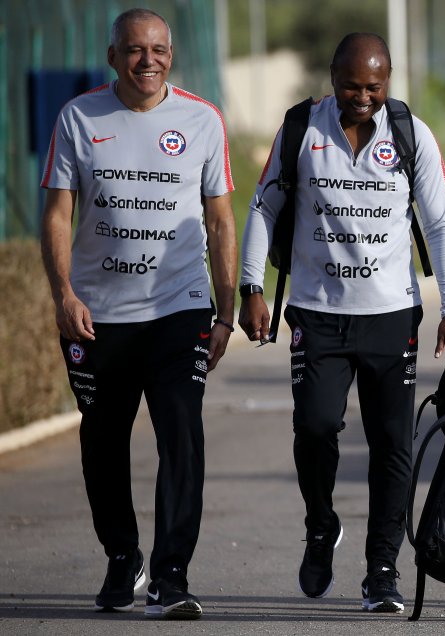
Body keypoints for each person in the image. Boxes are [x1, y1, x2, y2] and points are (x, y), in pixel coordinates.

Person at [238, 33, 445, 613]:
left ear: (388, 79)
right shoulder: (300, 129)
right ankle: (320, 524)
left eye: (374, 86)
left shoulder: (412, 134)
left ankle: (382, 569)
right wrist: (251, 286)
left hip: (392, 315)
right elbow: (264, 207)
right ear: (332, 78)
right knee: (314, 427)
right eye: (351, 86)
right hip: (317, 311)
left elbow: (439, 225)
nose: (363, 97)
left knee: (393, 445)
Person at [39, 8, 236, 620]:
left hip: (180, 310)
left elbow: (221, 219)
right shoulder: (79, 117)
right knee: (102, 441)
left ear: (171, 55)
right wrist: (65, 295)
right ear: (112, 57)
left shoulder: (202, 120)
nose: (146, 60)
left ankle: (172, 576)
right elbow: (57, 215)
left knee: (182, 434)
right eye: (133, 50)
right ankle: (123, 556)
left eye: (157, 49)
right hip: (100, 317)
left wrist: (224, 309)